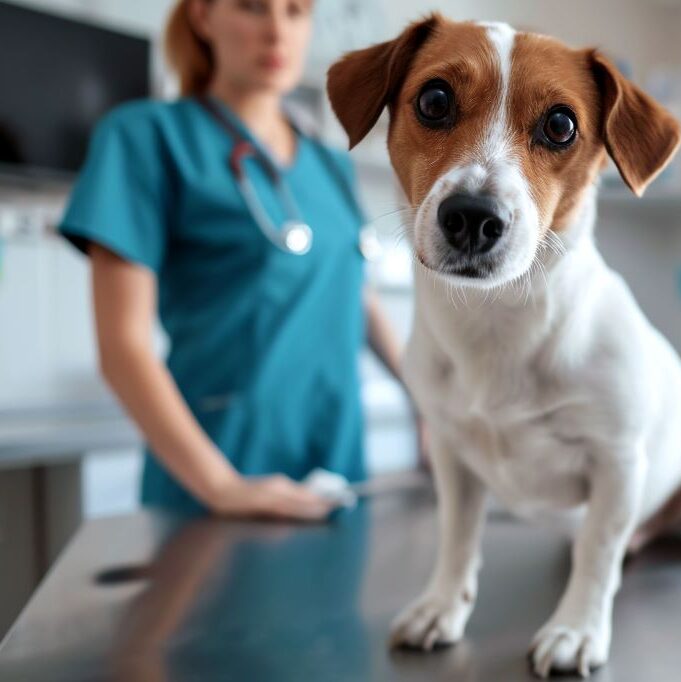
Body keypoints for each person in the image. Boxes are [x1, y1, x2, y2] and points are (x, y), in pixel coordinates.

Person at [59, 0, 418, 520]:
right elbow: (123, 347)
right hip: (217, 474)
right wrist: (223, 487)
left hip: (337, 465)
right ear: (203, 17)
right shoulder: (144, 138)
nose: (277, 31)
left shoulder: (331, 166)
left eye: (296, 11)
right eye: (252, 7)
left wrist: (429, 406)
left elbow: (357, 299)